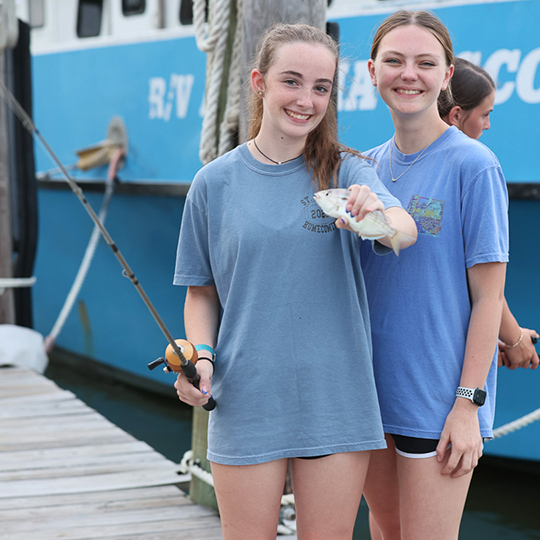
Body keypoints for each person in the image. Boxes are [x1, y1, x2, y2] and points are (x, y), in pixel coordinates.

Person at [172, 23, 417, 540]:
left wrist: (375, 215)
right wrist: (201, 356)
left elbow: (403, 229)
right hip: (245, 397)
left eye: (321, 87)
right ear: (259, 81)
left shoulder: (350, 171)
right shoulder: (212, 183)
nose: (307, 100)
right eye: (292, 81)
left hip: (337, 397)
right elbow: (202, 293)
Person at [353, 10, 509, 540]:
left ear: (446, 75)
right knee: (386, 530)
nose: (408, 74)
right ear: (372, 71)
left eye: (425, 62)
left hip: (437, 403)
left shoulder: (474, 164)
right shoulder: (364, 169)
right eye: (394, 61)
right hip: (369, 398)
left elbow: (489, 298)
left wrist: (467, 407)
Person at [438, 57, 539, 370]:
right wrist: (515, 339)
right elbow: (483, 286)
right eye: (485, 114)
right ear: (456, 115)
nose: (488, 124)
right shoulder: (479, 166)